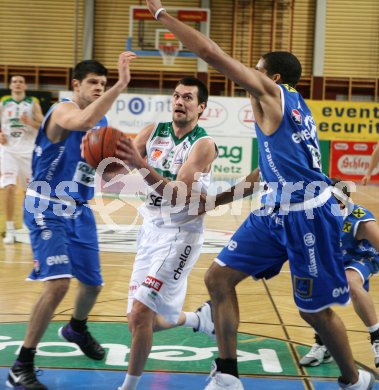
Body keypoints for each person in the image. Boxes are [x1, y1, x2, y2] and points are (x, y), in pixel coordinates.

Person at [145, 2, 375, 389]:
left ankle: (354, 380)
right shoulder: (289, 109)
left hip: (307, 215)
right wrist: (216, 201)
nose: (250, 72)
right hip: (273, 211)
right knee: (218, 279)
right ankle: (228, 375)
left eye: (258, 67)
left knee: (314, 313)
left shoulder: (272, 95)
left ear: (274, 77)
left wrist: (162, 15)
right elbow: (263, 174)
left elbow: (209, 53)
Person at [6, 52, 137, 390]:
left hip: (79, 208)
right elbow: (80, 123)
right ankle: (22, 365)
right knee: (59, 283)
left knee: (93, 284)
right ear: (76, 85)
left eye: (104, 84)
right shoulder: (62, 110)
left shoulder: (104, 124)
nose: (99, 88)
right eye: (93, 83)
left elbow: (99, 167)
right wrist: (122, 85)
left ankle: (76, 327)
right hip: (46, 205)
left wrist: (120, 162)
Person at [114, 76, 218, 390]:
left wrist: (139, 164)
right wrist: (98, 152)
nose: (179, 102)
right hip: (150, 231)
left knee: (143, 309)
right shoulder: (151, 132)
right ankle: (199, 320)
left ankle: (127, 387)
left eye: (188, 98)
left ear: (201, 107)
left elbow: (177, 193)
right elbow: (117, 169)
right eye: (176, 96)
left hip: (181, 234)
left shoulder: (203, 144)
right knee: (137, 320)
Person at [300, 179, 379, 368]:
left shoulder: (360, 220)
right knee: (309, 293)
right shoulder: (313, 214)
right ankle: (323, 343)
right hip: (333, 259)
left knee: (351, 283)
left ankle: (377, 337)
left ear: (341, 203)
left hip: (361, 256)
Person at [0, 75, 44, 244]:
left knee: (30, 192)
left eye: (20, 82)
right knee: (9, 187)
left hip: (28, 152)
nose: (17, 84)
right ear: (10, 85)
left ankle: (28, 224)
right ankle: (10, 229)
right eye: (14, 82)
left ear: (25, 85)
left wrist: (30, 121)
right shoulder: (4, 102)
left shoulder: (32, 102)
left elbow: (43, 124)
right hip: (8, 150)